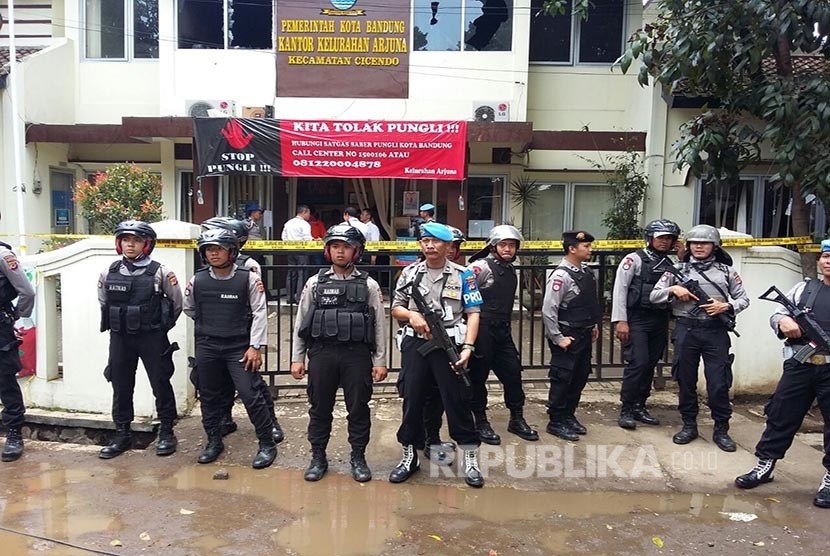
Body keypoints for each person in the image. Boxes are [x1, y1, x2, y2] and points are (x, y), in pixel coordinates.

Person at [735, 239, 830, 508]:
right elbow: (778, 313)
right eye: (825, 256)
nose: (828, 261)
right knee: (780, 414)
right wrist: (784, 321)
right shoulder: (805, 288)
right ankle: (765, 465)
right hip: (800, 365)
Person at [390, 222, 484, 488]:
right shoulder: (410, 273)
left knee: (457, 401)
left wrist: (468, 347)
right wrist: (412, 315)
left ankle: (470, 457)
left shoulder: (464, 275)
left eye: (435, 241)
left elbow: (474, 313)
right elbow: (396, 308)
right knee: (412, 398)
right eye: (425, 241)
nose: (429, 246)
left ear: (448, 246)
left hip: (450, 346)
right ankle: (409, 454)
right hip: (416, 346)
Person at [291, 225, 388, 482]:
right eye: (335, 246)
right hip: (322, 354)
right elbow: (301, 323)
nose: (340, 252)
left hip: (356, 356)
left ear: (356, 251)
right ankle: (318, 456)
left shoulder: (368, 284)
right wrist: (297, 358)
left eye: (345, 247)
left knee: (358, 409)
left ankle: (358, 456)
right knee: (320, 408)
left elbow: (379, 324)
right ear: (328, 250)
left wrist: (380, 361)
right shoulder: (315, 283)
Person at [650, 224, 749, 451]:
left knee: (718, 383)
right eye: (695, 243)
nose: (699, 247)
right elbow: (654, 295)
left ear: (714, 246)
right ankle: (688, 425)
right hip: (686, 329)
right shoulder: (677, 269)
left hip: (715, 332)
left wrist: (726, 306)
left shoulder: (726, 272)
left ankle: (721, 429)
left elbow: (744, 300)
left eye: (704, 243)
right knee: (685, 381)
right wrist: (673, 291)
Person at [184, 228, 277, 469]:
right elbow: (189, 308)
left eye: (218, 249)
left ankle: (267, 443)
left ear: (231, 251)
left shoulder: (248, 277)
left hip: (239, 346)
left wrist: (255, 346)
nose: (213, 254)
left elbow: (259, 313)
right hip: (208, 345)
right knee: (209, 395)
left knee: (250, 393)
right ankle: (213, 440)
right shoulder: (198, 279)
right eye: (209, 250)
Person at [98, 220, 182, 459]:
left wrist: (157, 327)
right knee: (120, 384)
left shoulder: (161, 271)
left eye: (135, 240)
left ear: (147, 244)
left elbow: (177, 304)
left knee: (160, 383)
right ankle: (122, 434)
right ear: (119, 243)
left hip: (152, 337)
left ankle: (166, 431)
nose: (130, 245)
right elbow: (104, 301)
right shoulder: (109, 271)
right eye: (125, 240)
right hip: (120, 337)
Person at [200, 217, 284, 445]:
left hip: (243, 334)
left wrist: (255, 343)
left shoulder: (248, 266)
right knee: (219, 384)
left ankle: (271, 424)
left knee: (251, 384)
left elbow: (257, 305)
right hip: (217, 334)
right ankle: (224, 420)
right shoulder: (206, 266)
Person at [467, 225, 538, 445]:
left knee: (513, 374)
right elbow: (465, 295)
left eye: (512, 245)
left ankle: (516, 418)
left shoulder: (510, 269)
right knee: (478, 377)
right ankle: (480, 420)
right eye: (503, 245)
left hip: (502, 330)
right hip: (483, 330)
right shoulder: (480, 267)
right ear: (493, 246)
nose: (508, 249)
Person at [612, 219, 683, 430]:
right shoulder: (634, 259)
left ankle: (640, 406)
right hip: (637, 319)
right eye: (661, 237)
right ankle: (626, 408)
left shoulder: (672, 263)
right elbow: (620, 290)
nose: (665, 242)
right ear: (650, 238)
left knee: (651, 363)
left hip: (659, 319)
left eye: (669, 238)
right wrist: (621, 321)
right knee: (638, 363)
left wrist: (682, 256)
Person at [542, 230, 600, 441]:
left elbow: (588, 302)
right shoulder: (561, 275)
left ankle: (568, 415)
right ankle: (556, 420)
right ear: (572, 249)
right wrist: (558, 338)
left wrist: (592, 324)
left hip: (583, 332)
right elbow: (549, 310)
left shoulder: (585, 272)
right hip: (568, 334)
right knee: (563, 377)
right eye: (586, 246)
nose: (590, 250)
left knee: (579, 376)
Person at [0, 232, 35, 462]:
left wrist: (16, 317)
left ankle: (14, 433)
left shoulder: (3, 255)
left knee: (5, 380)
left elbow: (27, 291)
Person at [281, 205, 314, 304]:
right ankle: (299, 298)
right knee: (302, 274)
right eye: (308, 213)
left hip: (290, 250)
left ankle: (289, 297)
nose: (309, 215)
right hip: (302, 251)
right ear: (304, 212)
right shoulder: (304, 224)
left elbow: (284, 237)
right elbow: (307, 238)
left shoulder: (288, 223)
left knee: (291, 273)